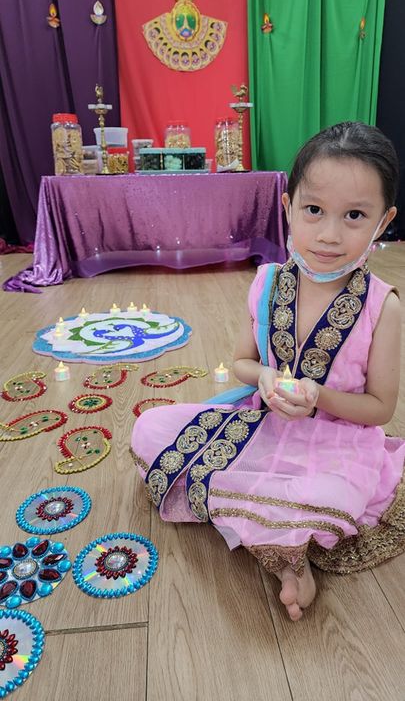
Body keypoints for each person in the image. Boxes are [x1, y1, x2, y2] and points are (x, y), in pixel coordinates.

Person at [131, 121, 405, 621]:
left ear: (383, 222)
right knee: (151, 428)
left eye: (354, 216)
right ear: (288, 207)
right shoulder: (267, 282)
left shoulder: (382, 307)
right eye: (314, 210)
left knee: (330, 493)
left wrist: (318, 396)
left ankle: (286, 556)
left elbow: (379, 408)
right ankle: (282, 540)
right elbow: (241, 361)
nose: (328, 233)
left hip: (339, 444)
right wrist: (259, 378)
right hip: (261, 422)